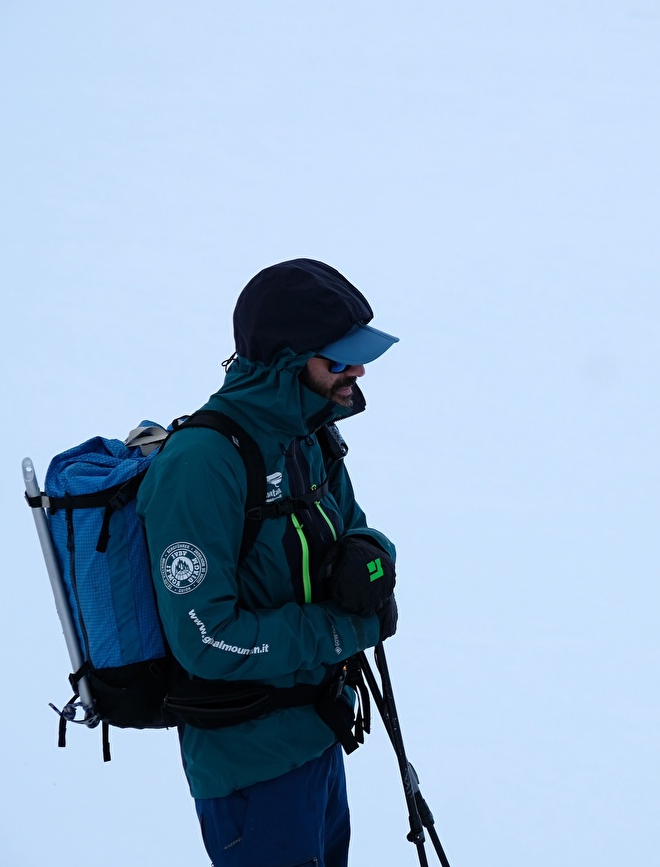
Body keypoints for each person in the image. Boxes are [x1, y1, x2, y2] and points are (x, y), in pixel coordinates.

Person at [137, 258, 401, 867]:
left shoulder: (308, 434)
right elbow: (207, 640)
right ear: (288, 361)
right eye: (338, 358)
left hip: (318, 738)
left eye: (359, 355)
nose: (357, 370)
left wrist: (372, 561)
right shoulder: (202, 464)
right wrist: (342, 626)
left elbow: (357, 529)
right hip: (250, 770)